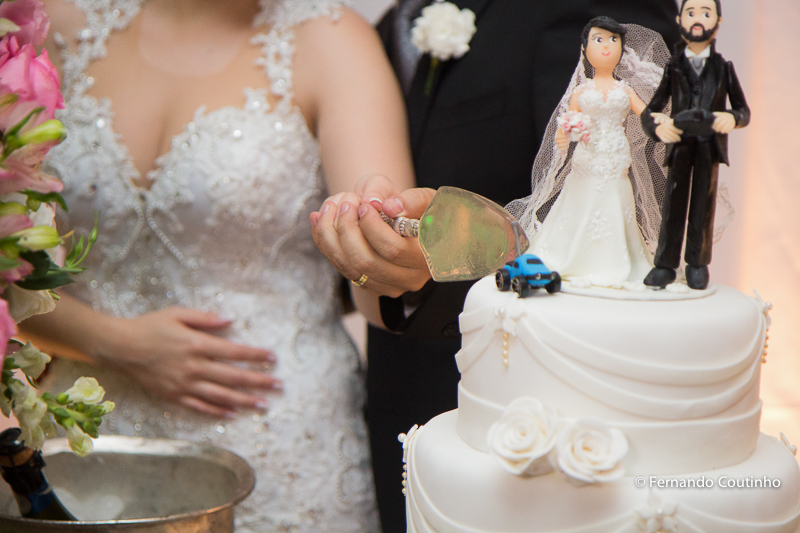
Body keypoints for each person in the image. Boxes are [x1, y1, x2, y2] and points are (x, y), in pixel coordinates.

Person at [24, 0, 414, 530]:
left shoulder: (331, 42)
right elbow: (9, 267)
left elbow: (379, 283)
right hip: (83, 435)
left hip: (280, 445)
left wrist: (394, 260)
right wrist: (106, 339)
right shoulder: (48, 27)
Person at [310, 1, 680, 530]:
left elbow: (627, 223)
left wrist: (438, 265)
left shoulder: (601, 11)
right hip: (399, 412)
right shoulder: (383, 28)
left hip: (544, 437)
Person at [510, 17, 670, 290]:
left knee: (616, 198)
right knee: (581, 199)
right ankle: (572, 254)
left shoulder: (625, 89)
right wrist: (565, 134)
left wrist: (660, 123)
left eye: (613, 40)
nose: (606, 47)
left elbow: (645, 113)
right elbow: (570, 119)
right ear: (585, 49)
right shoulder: (581, 91)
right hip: (587, 156)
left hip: (616, 155)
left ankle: (614, 257)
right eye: (598, 40)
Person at [642, 0, 749, 291]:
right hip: (679, 145)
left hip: (708, 146)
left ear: (718, 22)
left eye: (705, 12)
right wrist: (658, 125)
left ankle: (697, 263)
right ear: (679, 20)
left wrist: (731, 117)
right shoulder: (673, 68)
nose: (698, 19)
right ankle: (665, 264)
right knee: (673, 205)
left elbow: (743, 110)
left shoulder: (724, 69)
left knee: (703, 204)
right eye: (691, 13)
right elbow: (650, 110)